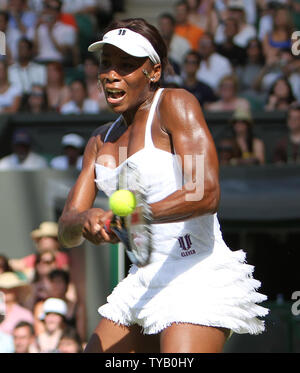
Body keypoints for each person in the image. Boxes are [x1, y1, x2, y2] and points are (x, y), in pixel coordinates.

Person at [58, 18, 268, 353]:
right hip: (141, 281)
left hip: (196, 274)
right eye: (106, 64)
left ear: (153, 72)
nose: (112, 74)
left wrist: (139, 215)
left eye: (126, 66)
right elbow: (65, 228)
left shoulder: (176, 104)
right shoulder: (99, 140)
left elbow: (205, 192)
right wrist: (84, 221)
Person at [33, 0, 77, 65]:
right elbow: (34, 51)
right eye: (48, 7)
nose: (51, 11)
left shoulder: (68, 29)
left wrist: (50, 32)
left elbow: (63, 52)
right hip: (39, 62)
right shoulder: (39, 27)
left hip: (57, 62)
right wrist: (36, 29)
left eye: (55, 9)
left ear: (59, 11)